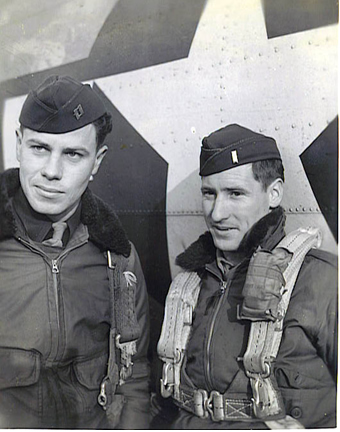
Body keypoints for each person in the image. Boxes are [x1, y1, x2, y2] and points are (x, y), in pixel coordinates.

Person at [157, 124, 337, 429]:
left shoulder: (322, 280)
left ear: (274, 192)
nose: (216, 214)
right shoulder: (189, 284)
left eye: (235, 194)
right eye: (209, 194)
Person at [0, 75, 150, 429]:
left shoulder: (119, 261)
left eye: (73, 154)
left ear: (96, 162)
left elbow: (135, 378)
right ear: (19, 144)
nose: (52, 172)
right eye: (39, 148)